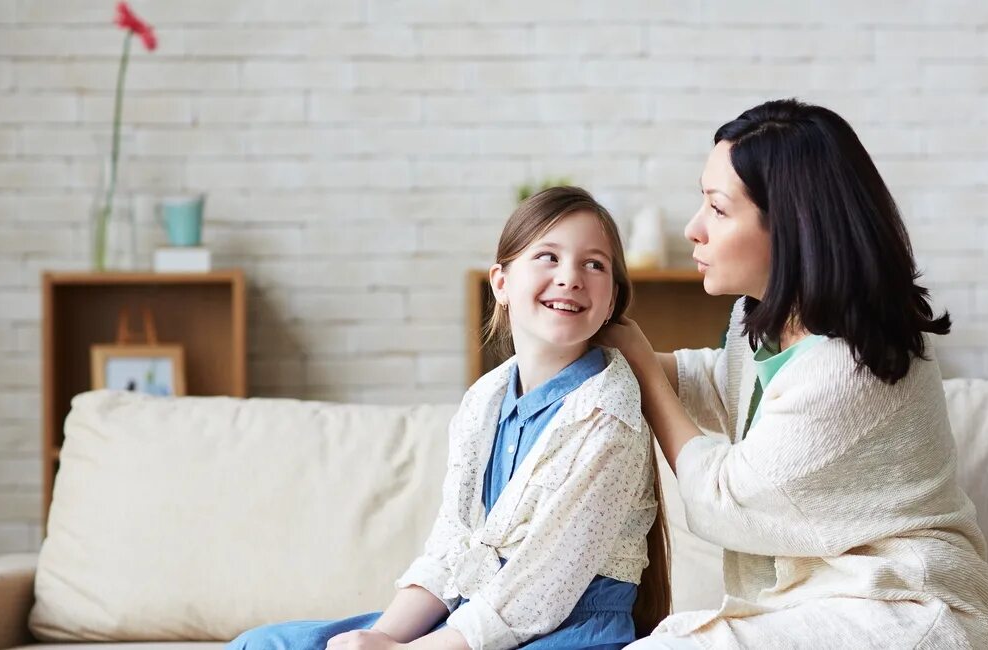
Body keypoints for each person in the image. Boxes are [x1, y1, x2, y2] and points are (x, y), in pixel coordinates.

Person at [606, 99, 988, 649]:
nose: (693, 229)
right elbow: (727, 386)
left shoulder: (848, 366)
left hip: (907, 614)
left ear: (792, 228)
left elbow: (724, 498)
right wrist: (617, 358)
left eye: (719, 209)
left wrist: (645, 375)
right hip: (822, 608)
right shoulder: (763, 320)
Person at [229, 187, 671, 650]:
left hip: (566, 631)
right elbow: (451, 548)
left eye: (594, 264)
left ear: (612, 298)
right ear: (500, 283)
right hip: (470, 621)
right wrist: (379, 638)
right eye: (548, 256)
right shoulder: (485, 399)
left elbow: (538, 592)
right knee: (262, 644)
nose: (571, 277)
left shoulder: (609, 415)